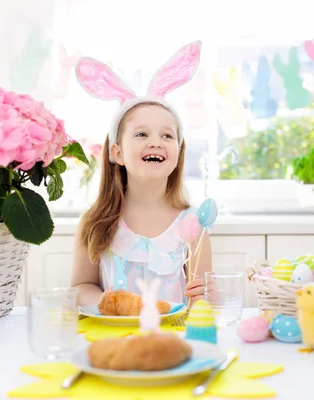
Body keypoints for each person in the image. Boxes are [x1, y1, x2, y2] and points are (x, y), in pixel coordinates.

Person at [70, 41, 212, 307]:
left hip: (171, 340)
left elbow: (200, 300)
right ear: (117, 153)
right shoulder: (97, 221)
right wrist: (112, 304)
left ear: (178, 153)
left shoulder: (193, 226)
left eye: (167, 135)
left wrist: (207, 295)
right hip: (114, 339)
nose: (155, 142)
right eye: (141, 134)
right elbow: (80, 287)